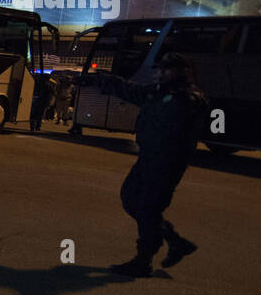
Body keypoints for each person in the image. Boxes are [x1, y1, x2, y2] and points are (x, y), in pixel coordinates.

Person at [78, 52, 206, 278]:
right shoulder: (158, 93)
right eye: (159, 69)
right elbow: (127, 89)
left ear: (182, 72)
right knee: (130, 198)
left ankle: (143, 260)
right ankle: (175, 241)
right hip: (148, 158)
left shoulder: (188, 98)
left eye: (166, 69)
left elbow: (194, 112)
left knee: (148, 208)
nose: (160, 73)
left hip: (167, 163)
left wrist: (179, 97)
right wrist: (94, 78)